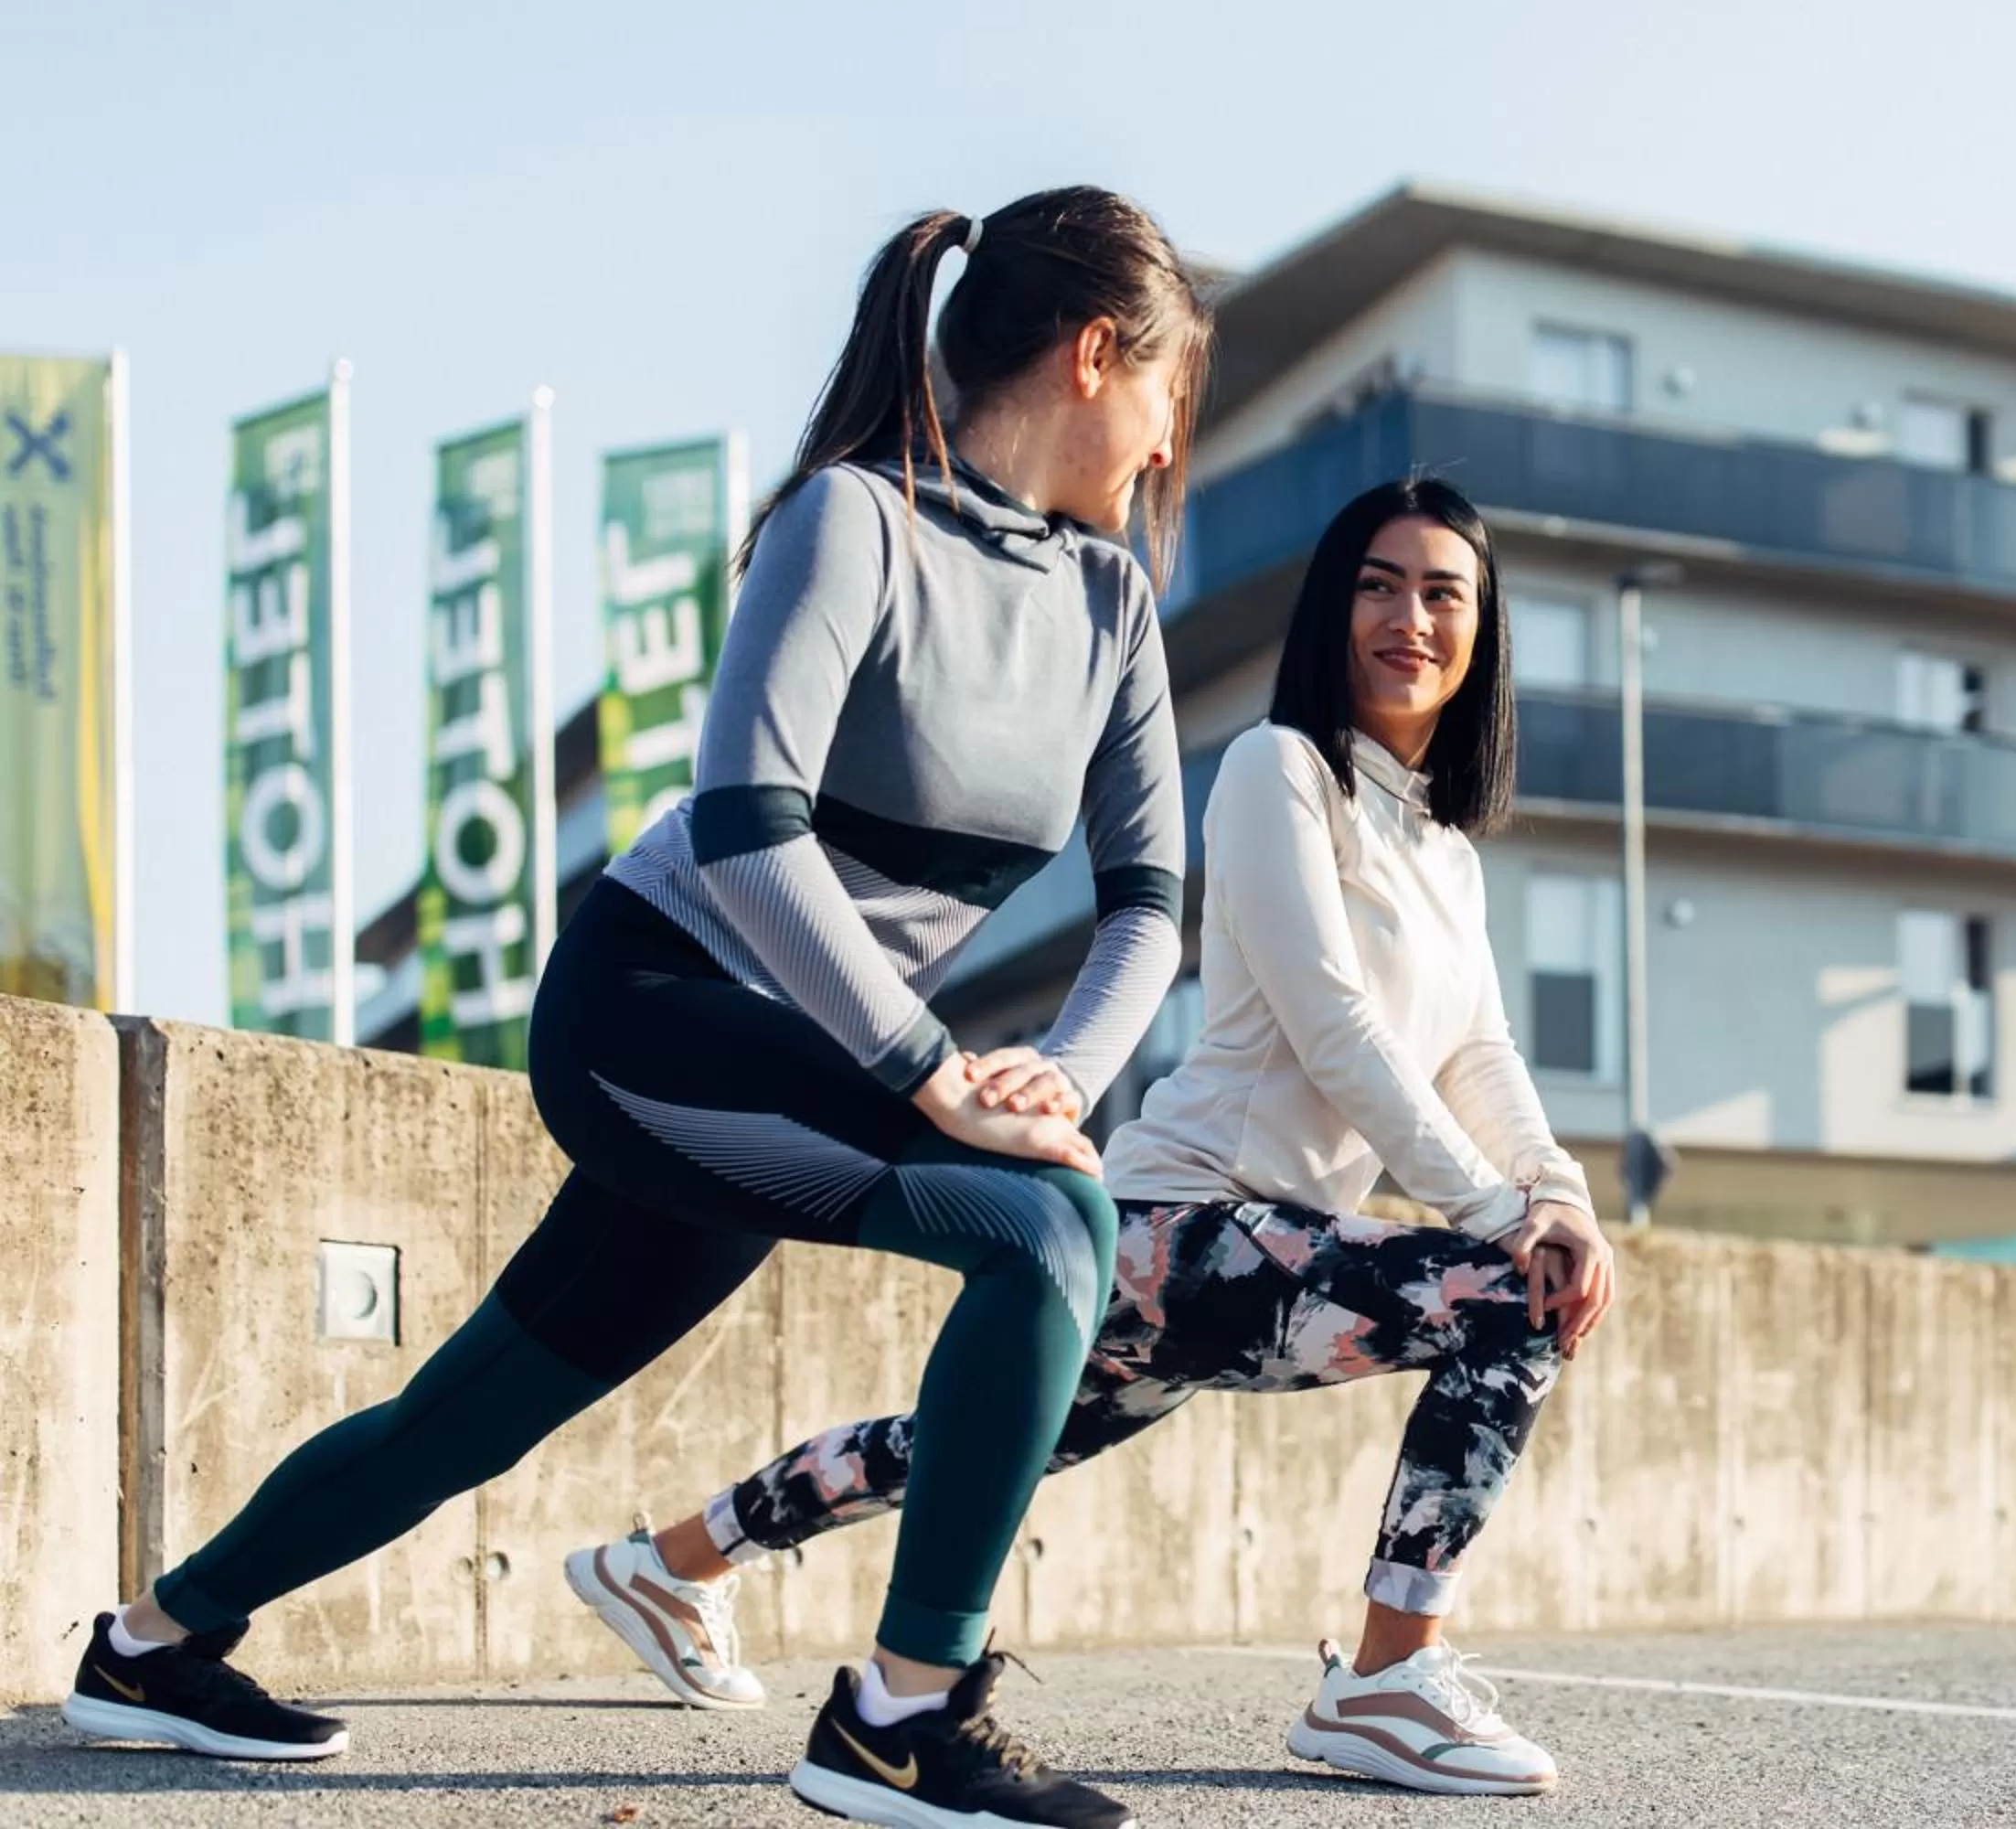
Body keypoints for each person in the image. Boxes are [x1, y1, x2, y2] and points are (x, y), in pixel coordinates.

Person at [61, 186, 1213, 1829]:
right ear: (1102, 354)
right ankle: (900, 1715)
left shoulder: (1110, 609)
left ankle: (150, 1644)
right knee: (1046, 1235)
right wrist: (927, 1070)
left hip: (801, 1058)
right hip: (657, 1008)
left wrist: (1052, 1081)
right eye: (1176, 388)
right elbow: (747, 824)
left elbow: (1152, 907)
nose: (1175, 435)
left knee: (472, 1414)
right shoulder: (851, 522)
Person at [568, 477, 1617, 1798]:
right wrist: (1496, 1219)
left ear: (1484, 631)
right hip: (1191, 1230)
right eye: (1378, 584)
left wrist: (1557, 1193)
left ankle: (669, 1561)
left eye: (1443, 592)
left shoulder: (1445, 845)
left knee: (954, 1441)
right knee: (1507, 1303)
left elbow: (1477, 1052)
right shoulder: (1276, 770)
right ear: (1332, 609)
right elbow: (1335, 1024)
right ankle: (1387, 1678)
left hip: (1242, 1257)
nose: (1410, 617)